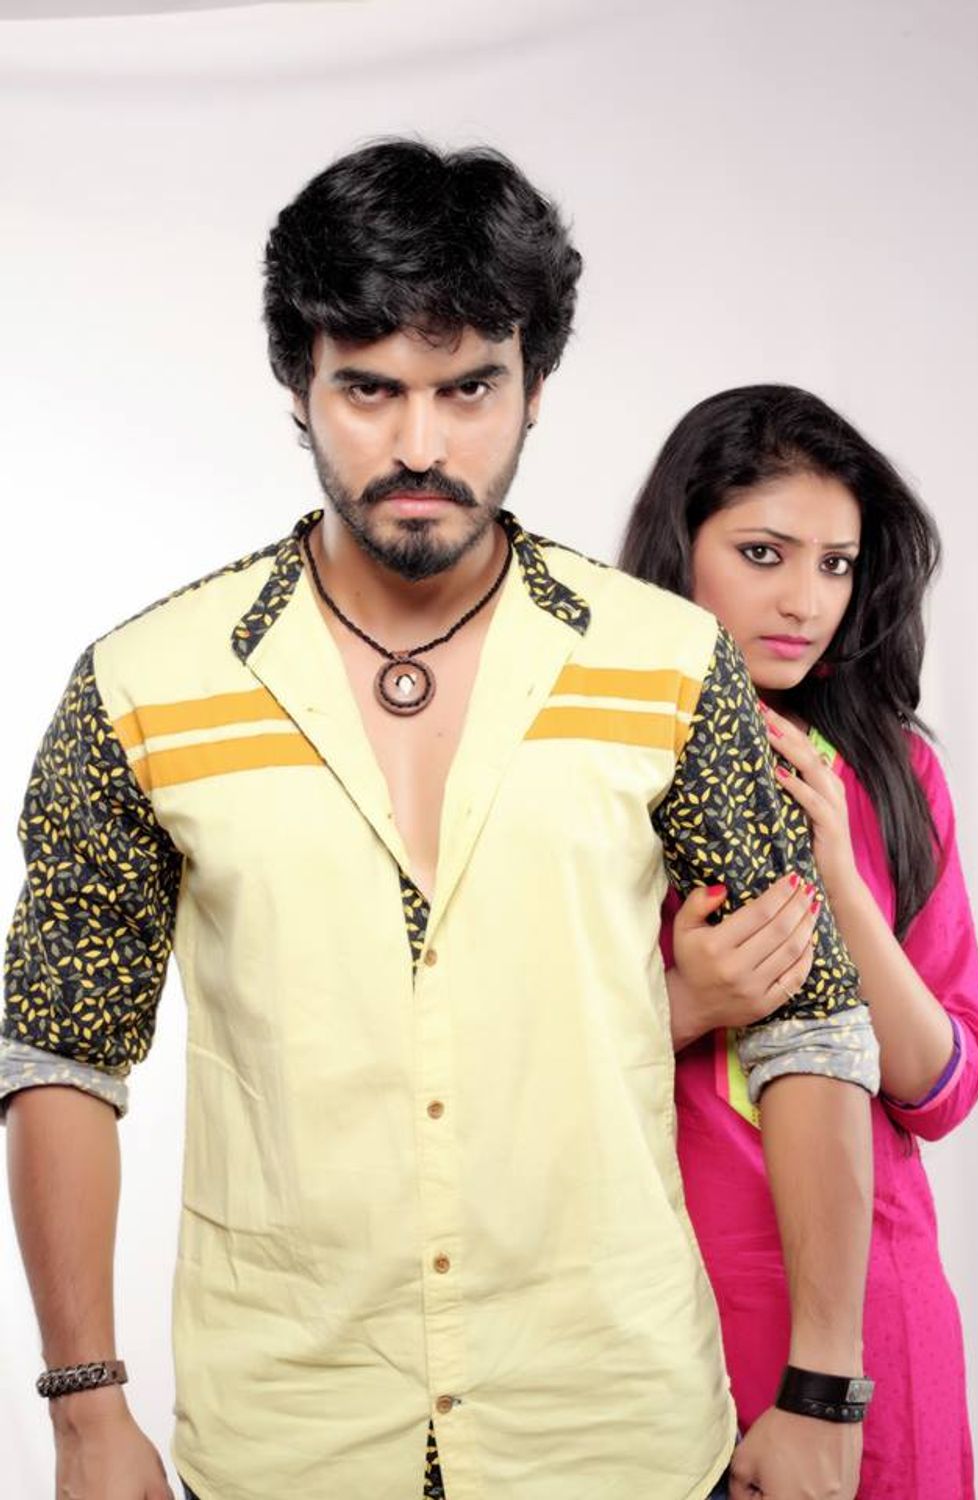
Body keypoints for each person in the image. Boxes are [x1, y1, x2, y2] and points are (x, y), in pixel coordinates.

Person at [3, 146, 878, 1500]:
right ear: (299, 384)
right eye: (370, 388)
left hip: (614, 1428)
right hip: (291, 1434)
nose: (421, 445)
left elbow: (809, 1023)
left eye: (469, 387)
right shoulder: (143, 685)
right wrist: (83, 1410)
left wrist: (823, 1387)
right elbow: (62, 1050)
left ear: (535, 386)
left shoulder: (666, 662)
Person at [620, 383, 978, 1499]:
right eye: (763, 553)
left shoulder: (892, 771)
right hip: (651, 1315)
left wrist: (842, 881)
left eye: (836, 564)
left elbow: (941, 1085)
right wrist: (687, 1003)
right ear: (678, 548)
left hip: (870, 1320)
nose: (805, 601)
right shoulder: (594, 764)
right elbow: (496, 1065)